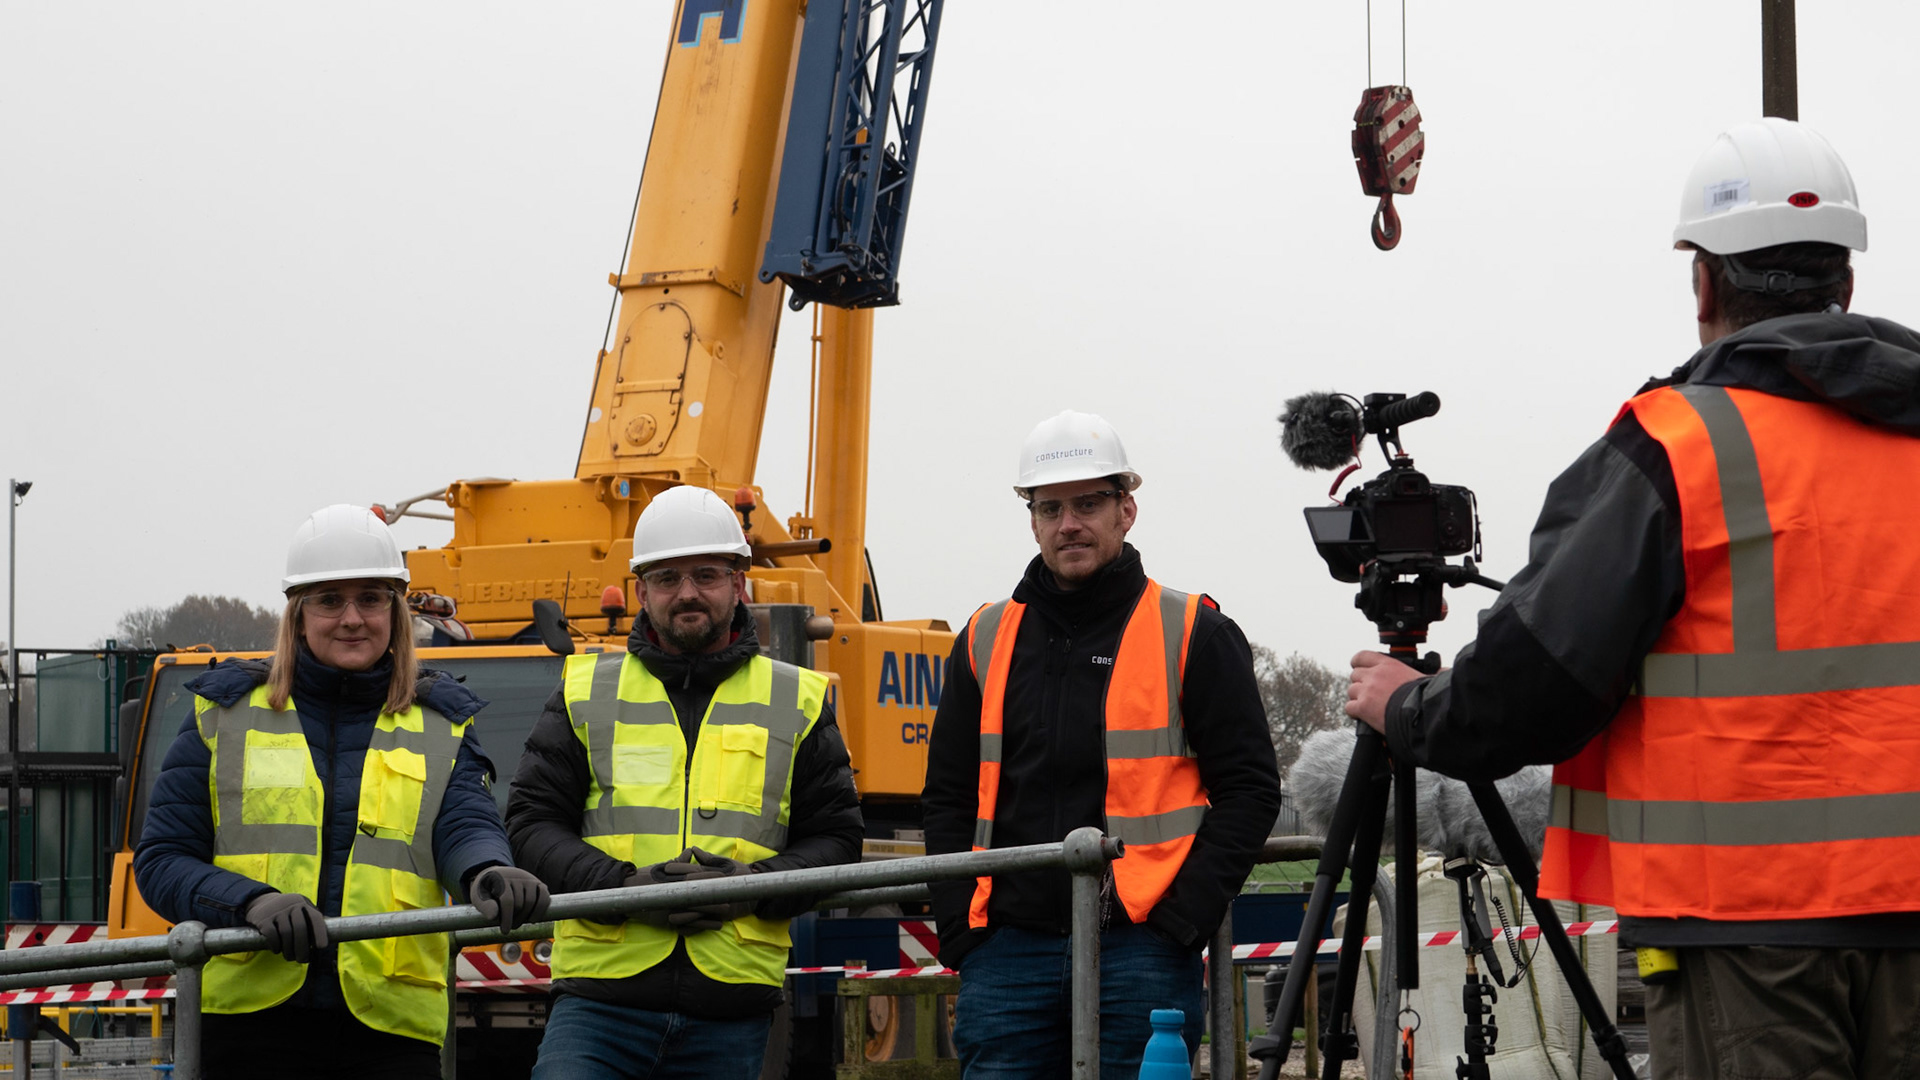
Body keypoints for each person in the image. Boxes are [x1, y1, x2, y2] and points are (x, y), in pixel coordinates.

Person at [1345, 118, 1920, 1080]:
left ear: (1704, 282)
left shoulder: (1683, 445)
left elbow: (1536, 680)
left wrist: (1409, 707)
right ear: (1847, 283)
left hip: (1746, 937)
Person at [922, 410, 1283, 1078]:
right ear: (1031, 519)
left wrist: (1182, 921)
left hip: (1142, 949)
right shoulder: (984, 636)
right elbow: (947, 794)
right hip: (1007, 953)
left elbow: (1251, 791)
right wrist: (962, 930)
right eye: (1051, 507)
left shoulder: (1193, 630)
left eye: (1088, 504)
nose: (1069, 524)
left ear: (1127, 509)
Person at [134, 504, 549, 1079]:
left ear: (395, 613)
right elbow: (161, 861)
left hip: (390, 1031)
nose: (352, 618)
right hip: (250, 1027)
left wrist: (487, 871)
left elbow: (465, 826)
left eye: (371, 598)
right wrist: (251, 902)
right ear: (298, 616)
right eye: (330, 600)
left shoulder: (441, 722)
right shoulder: (222, 714)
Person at [507, 484, 863, 1080]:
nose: (688, 593)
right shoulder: (585, 691)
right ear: (641, 591)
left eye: (706, 574)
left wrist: (750, 887)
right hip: (599, 1004)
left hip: (730, 1012)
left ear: (739, 583)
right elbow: (531, 824)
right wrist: (628, 889)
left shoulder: (796, 698)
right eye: (667, 579)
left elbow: (836, 841)